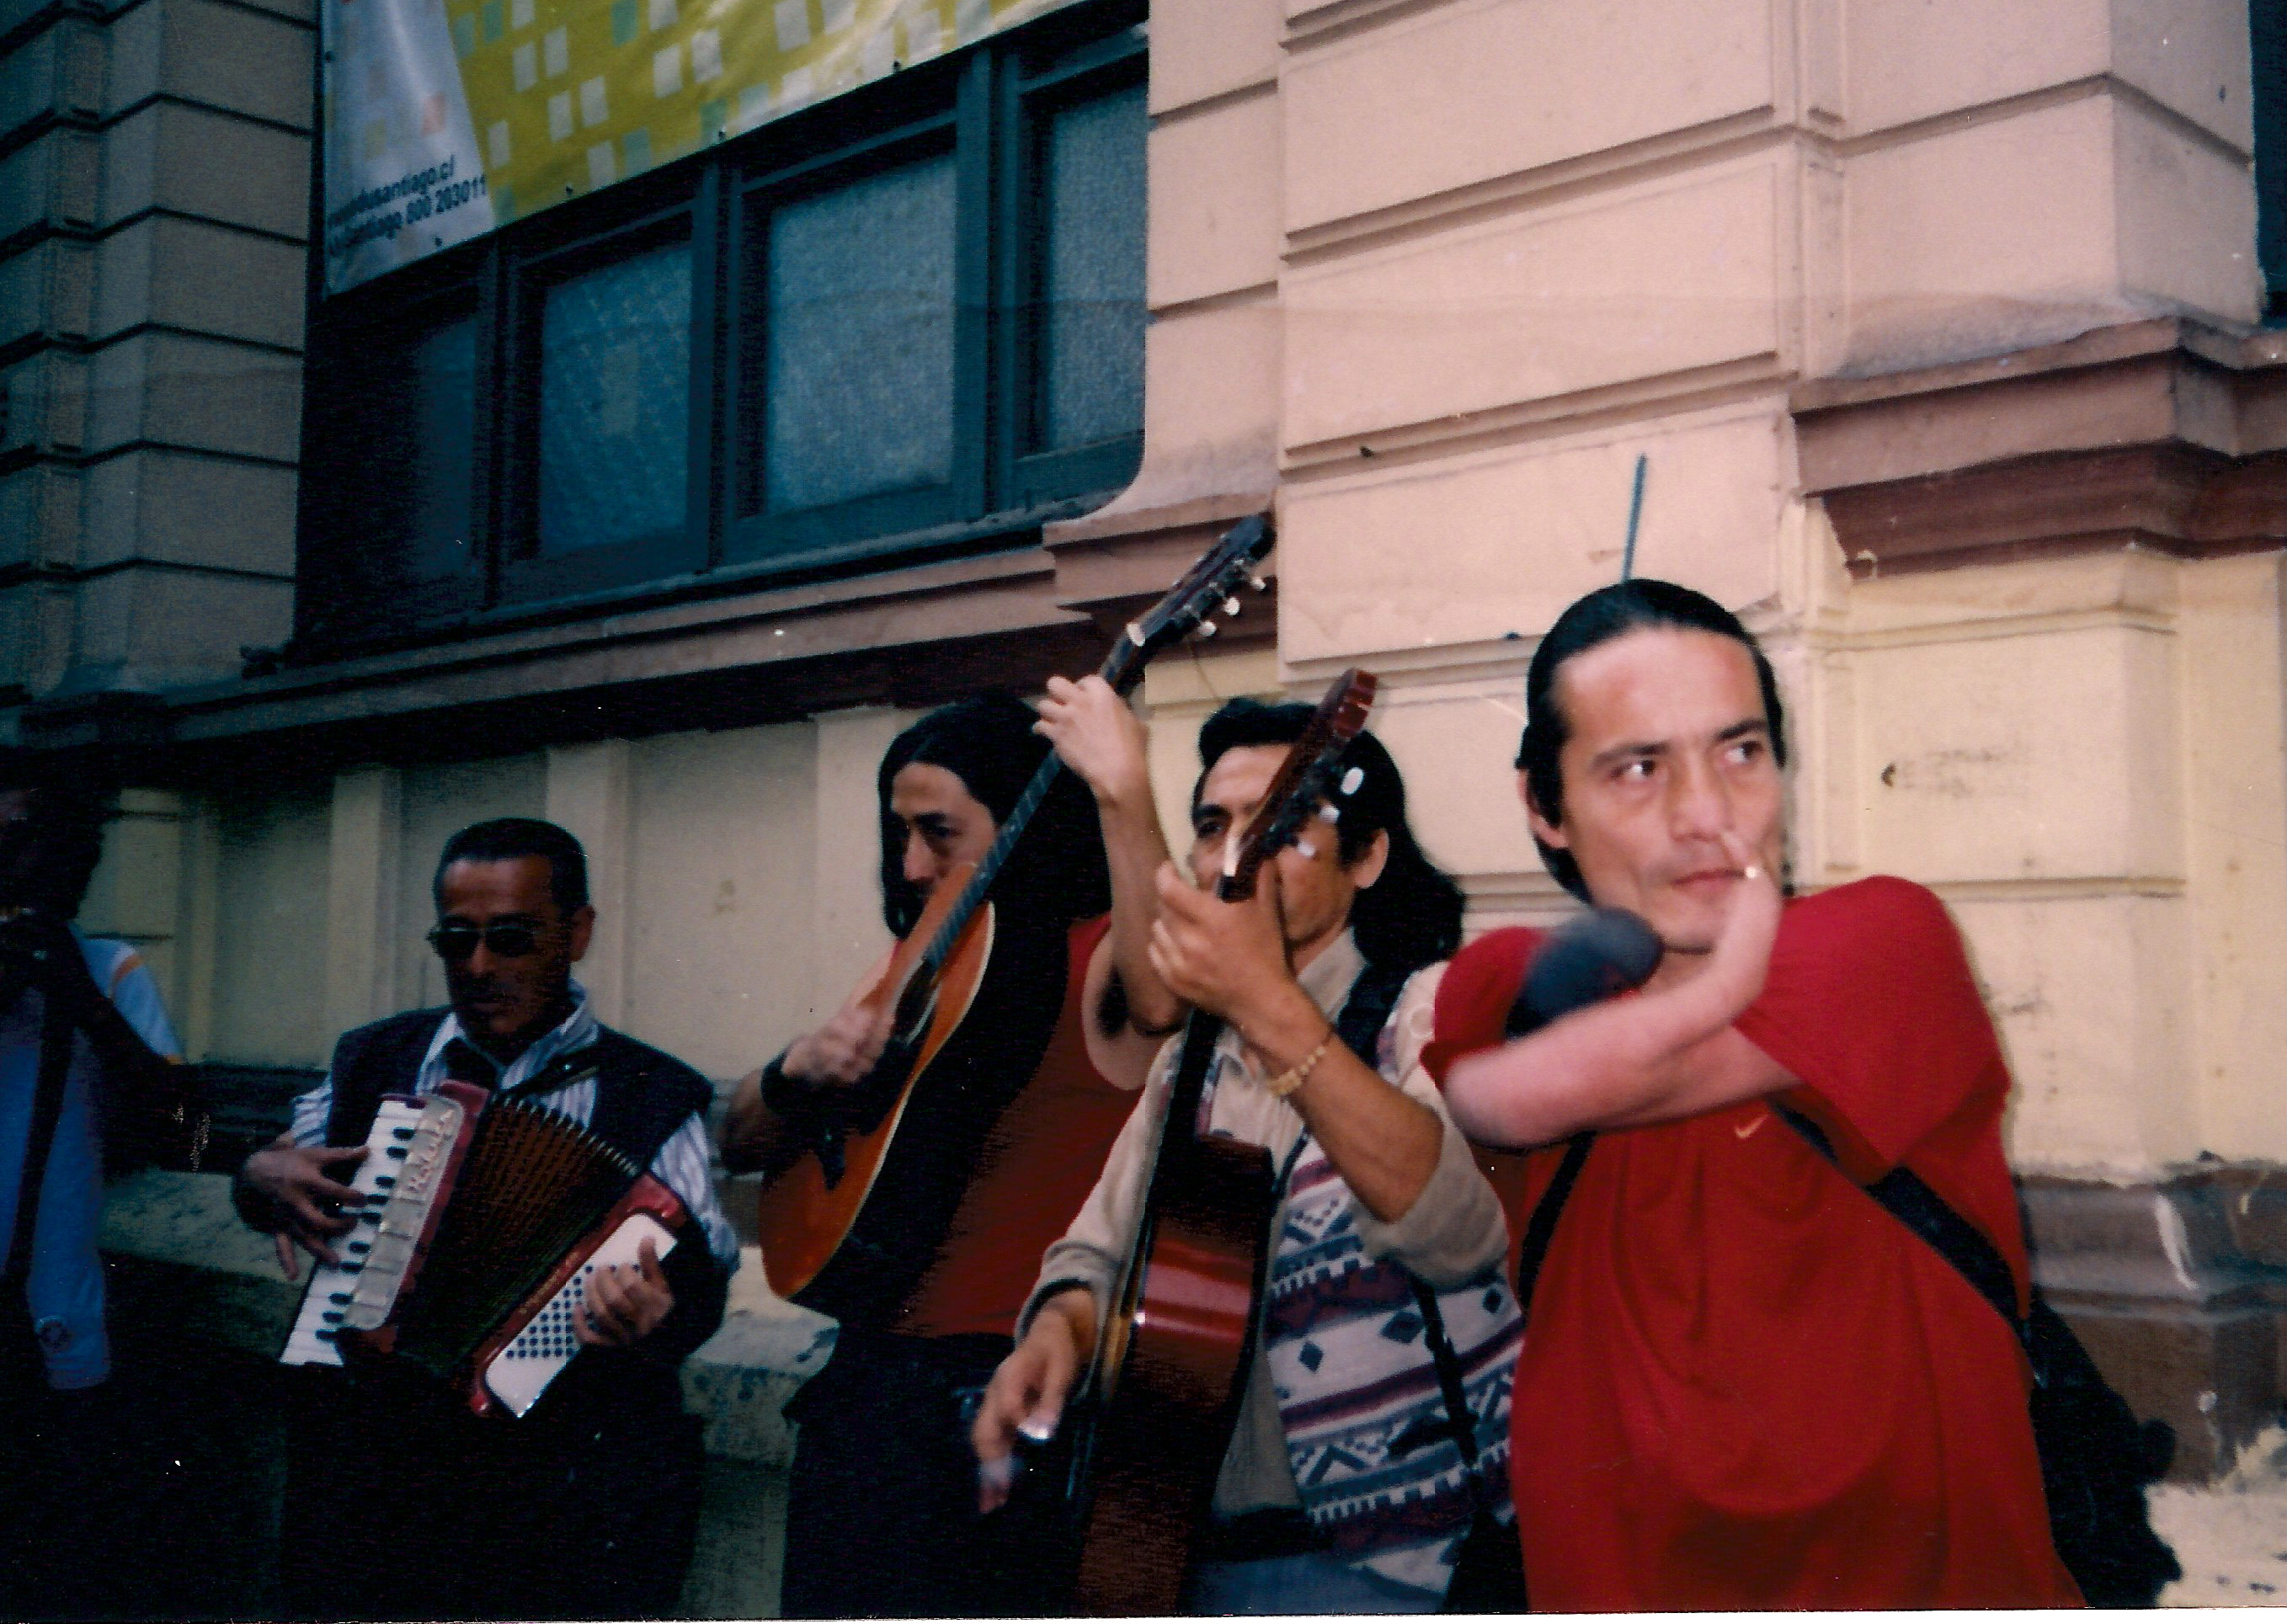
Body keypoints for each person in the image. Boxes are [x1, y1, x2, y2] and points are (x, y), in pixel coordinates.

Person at [1420, 578, 2081, 1610]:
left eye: (1742, 751)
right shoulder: (1506, 985)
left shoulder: (1888, 943)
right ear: (1545, 808)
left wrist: (1724, 980)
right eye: (1639, 768)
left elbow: (1622, 1074)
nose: (1708, 815)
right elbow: (1508, 1097)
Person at [973, 698, 1518, 1616]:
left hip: (1396, 1567)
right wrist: (1057, 1332)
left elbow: (1457, 1230)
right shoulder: (1192, 1060)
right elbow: (1099, 1253)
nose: (1238, 851)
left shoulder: (1427, 1009)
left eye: (1281, 825)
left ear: (1369, 856)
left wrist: (1266, 1001)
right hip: (1180, 1545)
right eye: (1214, 824)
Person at [722, 688, 1172, 1619]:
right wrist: (796, 1069)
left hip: (1000, 1382)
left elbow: (1164, 1001)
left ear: (1024, 825)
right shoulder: (922, 963)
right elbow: (738, 1139)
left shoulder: (1098, 956)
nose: (912, 864)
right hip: (869, 1384)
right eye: (899, 835)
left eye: (939, 833)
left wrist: (1125, 788)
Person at [235, 816, 737, 1621]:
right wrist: (256, 1174)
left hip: (554, 1498)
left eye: (510, 938)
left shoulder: (654, 1094)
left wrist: (659, 1318)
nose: (478, 967)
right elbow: (273, 1165)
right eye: (456, 940)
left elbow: (702, 1279)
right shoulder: (371, 1061)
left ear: (577, 934)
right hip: (372, 1483)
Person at [0, 772, 194, 1620]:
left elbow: (185, 1132)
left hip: (53, 1343)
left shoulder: (108, 970)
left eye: (52, 851)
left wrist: (81, 1005)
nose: (25, 869)